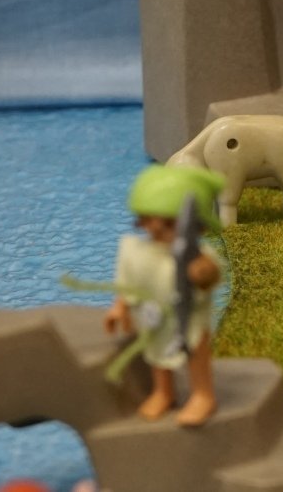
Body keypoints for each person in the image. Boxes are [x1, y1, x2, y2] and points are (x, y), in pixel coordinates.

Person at [104, 165, 224, 427]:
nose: (158, 228)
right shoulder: (137, 252)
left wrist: (203, 273)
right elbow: (128, 282)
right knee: (157, 354)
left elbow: (212, 274)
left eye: (170, 223)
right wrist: (120, 307)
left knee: (195, 352)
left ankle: (203, 394)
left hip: (190, 316)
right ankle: (163, 391)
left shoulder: (195, 255)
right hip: (155, 315)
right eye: (151, 220)